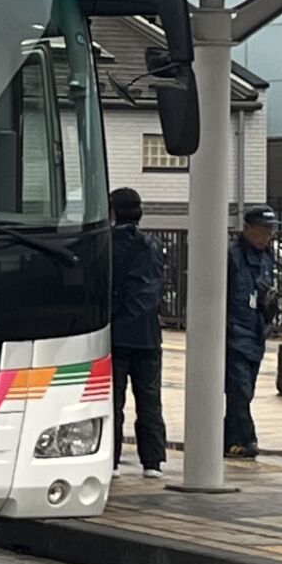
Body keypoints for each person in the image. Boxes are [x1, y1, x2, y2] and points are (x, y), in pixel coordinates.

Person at [108, 187, 167, 478]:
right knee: (149, 399)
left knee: (113, 401)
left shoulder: (106, 244)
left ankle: (113, 459)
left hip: (117, 335)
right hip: (148, 334)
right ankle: (152, 462)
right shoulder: (152, 245)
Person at [225, 204, 280, 459]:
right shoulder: (232, 257)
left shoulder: (266, 256)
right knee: (240, 390)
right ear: (247, 229)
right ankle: (244, 438)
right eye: (262, 230)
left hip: (256, 332)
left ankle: (229, 438)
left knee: (247, 391)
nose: (267, 235)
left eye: (270, 231)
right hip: (235, 333)